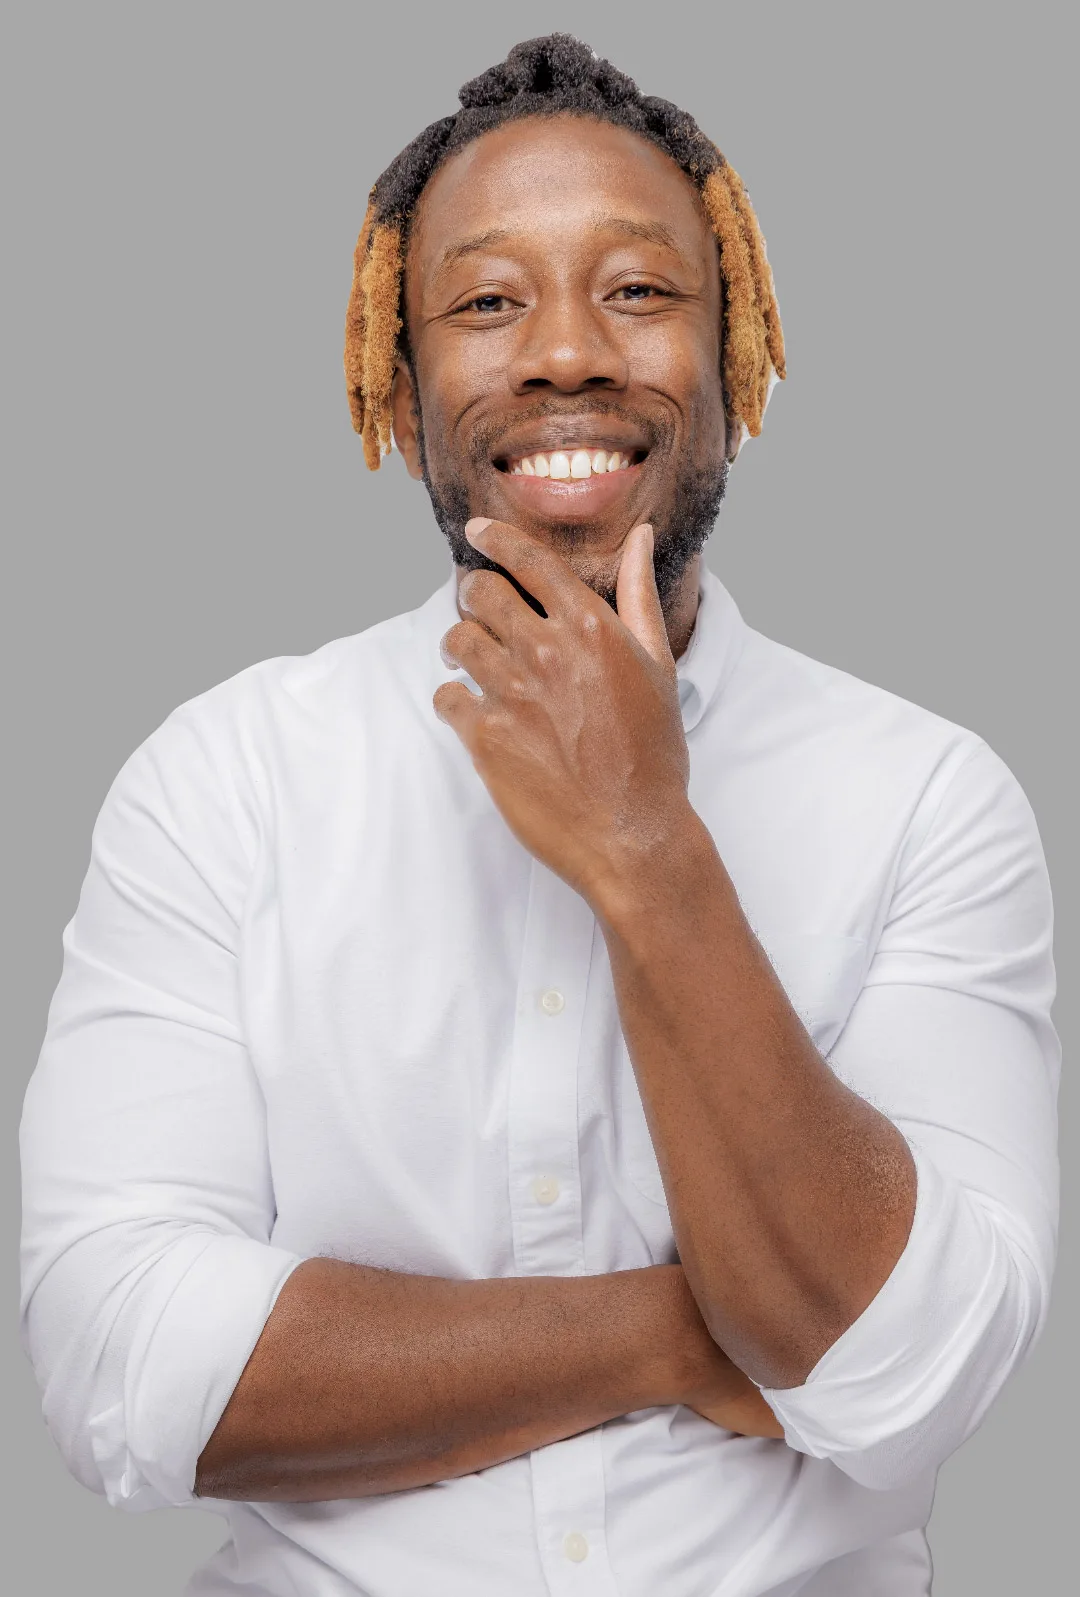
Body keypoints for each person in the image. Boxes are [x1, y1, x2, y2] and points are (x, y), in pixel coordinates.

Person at [20, 34, 1059, 1597]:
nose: (566, 353)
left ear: (740, 349)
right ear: (397, 369)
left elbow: (911, 1380)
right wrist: (705, 1327)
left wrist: (649, 849)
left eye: (640, 292)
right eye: (488, 301)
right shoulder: (221, 778)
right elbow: (127, 1369)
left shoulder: (931, 798)